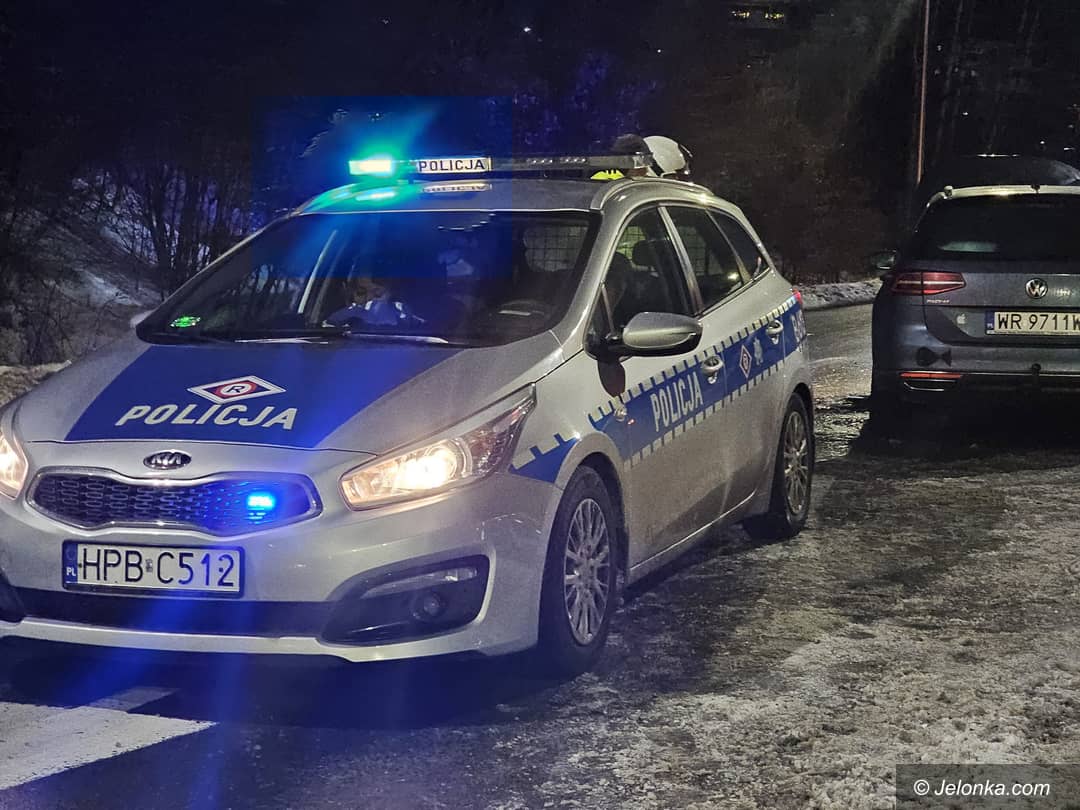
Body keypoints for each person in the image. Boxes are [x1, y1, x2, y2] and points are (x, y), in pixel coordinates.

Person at [324, 274, 417, 328]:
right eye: (361, 293)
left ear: (390, 292)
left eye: (377, 293)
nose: (369, 299)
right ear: (352, 292)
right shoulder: (342, 317)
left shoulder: (402, 313)